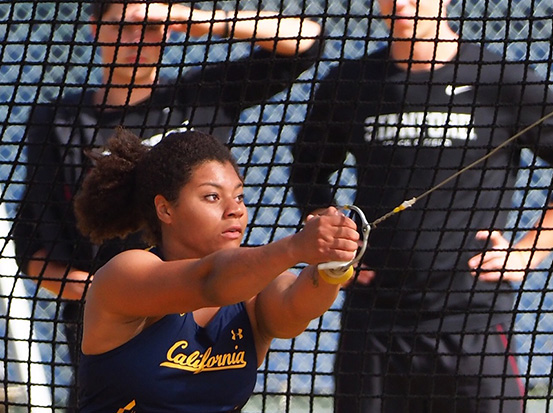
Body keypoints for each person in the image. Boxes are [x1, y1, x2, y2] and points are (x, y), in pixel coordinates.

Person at [288, 0, 553, 411]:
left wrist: (528, 252)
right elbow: (308, 171)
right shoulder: (350, 84)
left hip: (472, 319)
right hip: (375, 324)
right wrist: (336, 253)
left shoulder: (499, 78)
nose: (400, 3)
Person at [11, 0, 321, 408]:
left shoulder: (200, 96)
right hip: (120, 330)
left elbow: (307, 41)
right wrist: (122, 300)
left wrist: (198, 19)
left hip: (212, 321)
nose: (138, 38)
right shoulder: (60, 121)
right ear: (95, 27)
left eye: (152, 26)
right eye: (124, 25)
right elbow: (34, 250)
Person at [72, 128, 359, 411]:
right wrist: (295, 247)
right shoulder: (126, 274)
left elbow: (295, 309)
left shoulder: (251, 290)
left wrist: (332, 266)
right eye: (212, 196)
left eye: (239, 196)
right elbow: (209, 281)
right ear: (165, 209)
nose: (235, 209)